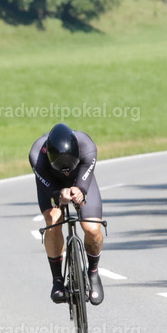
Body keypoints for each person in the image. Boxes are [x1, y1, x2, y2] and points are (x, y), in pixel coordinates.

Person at [29, 122, 104, 306]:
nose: (66, 170)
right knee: (53, 222)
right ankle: (57, 280)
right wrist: (57, 194)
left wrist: (79, 190)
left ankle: (93, 272)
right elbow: (45, 183)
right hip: (51, 185)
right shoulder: (37, 154)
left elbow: (86, 175)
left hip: (81, 180)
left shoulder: (87, 146)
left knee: (92, 229)